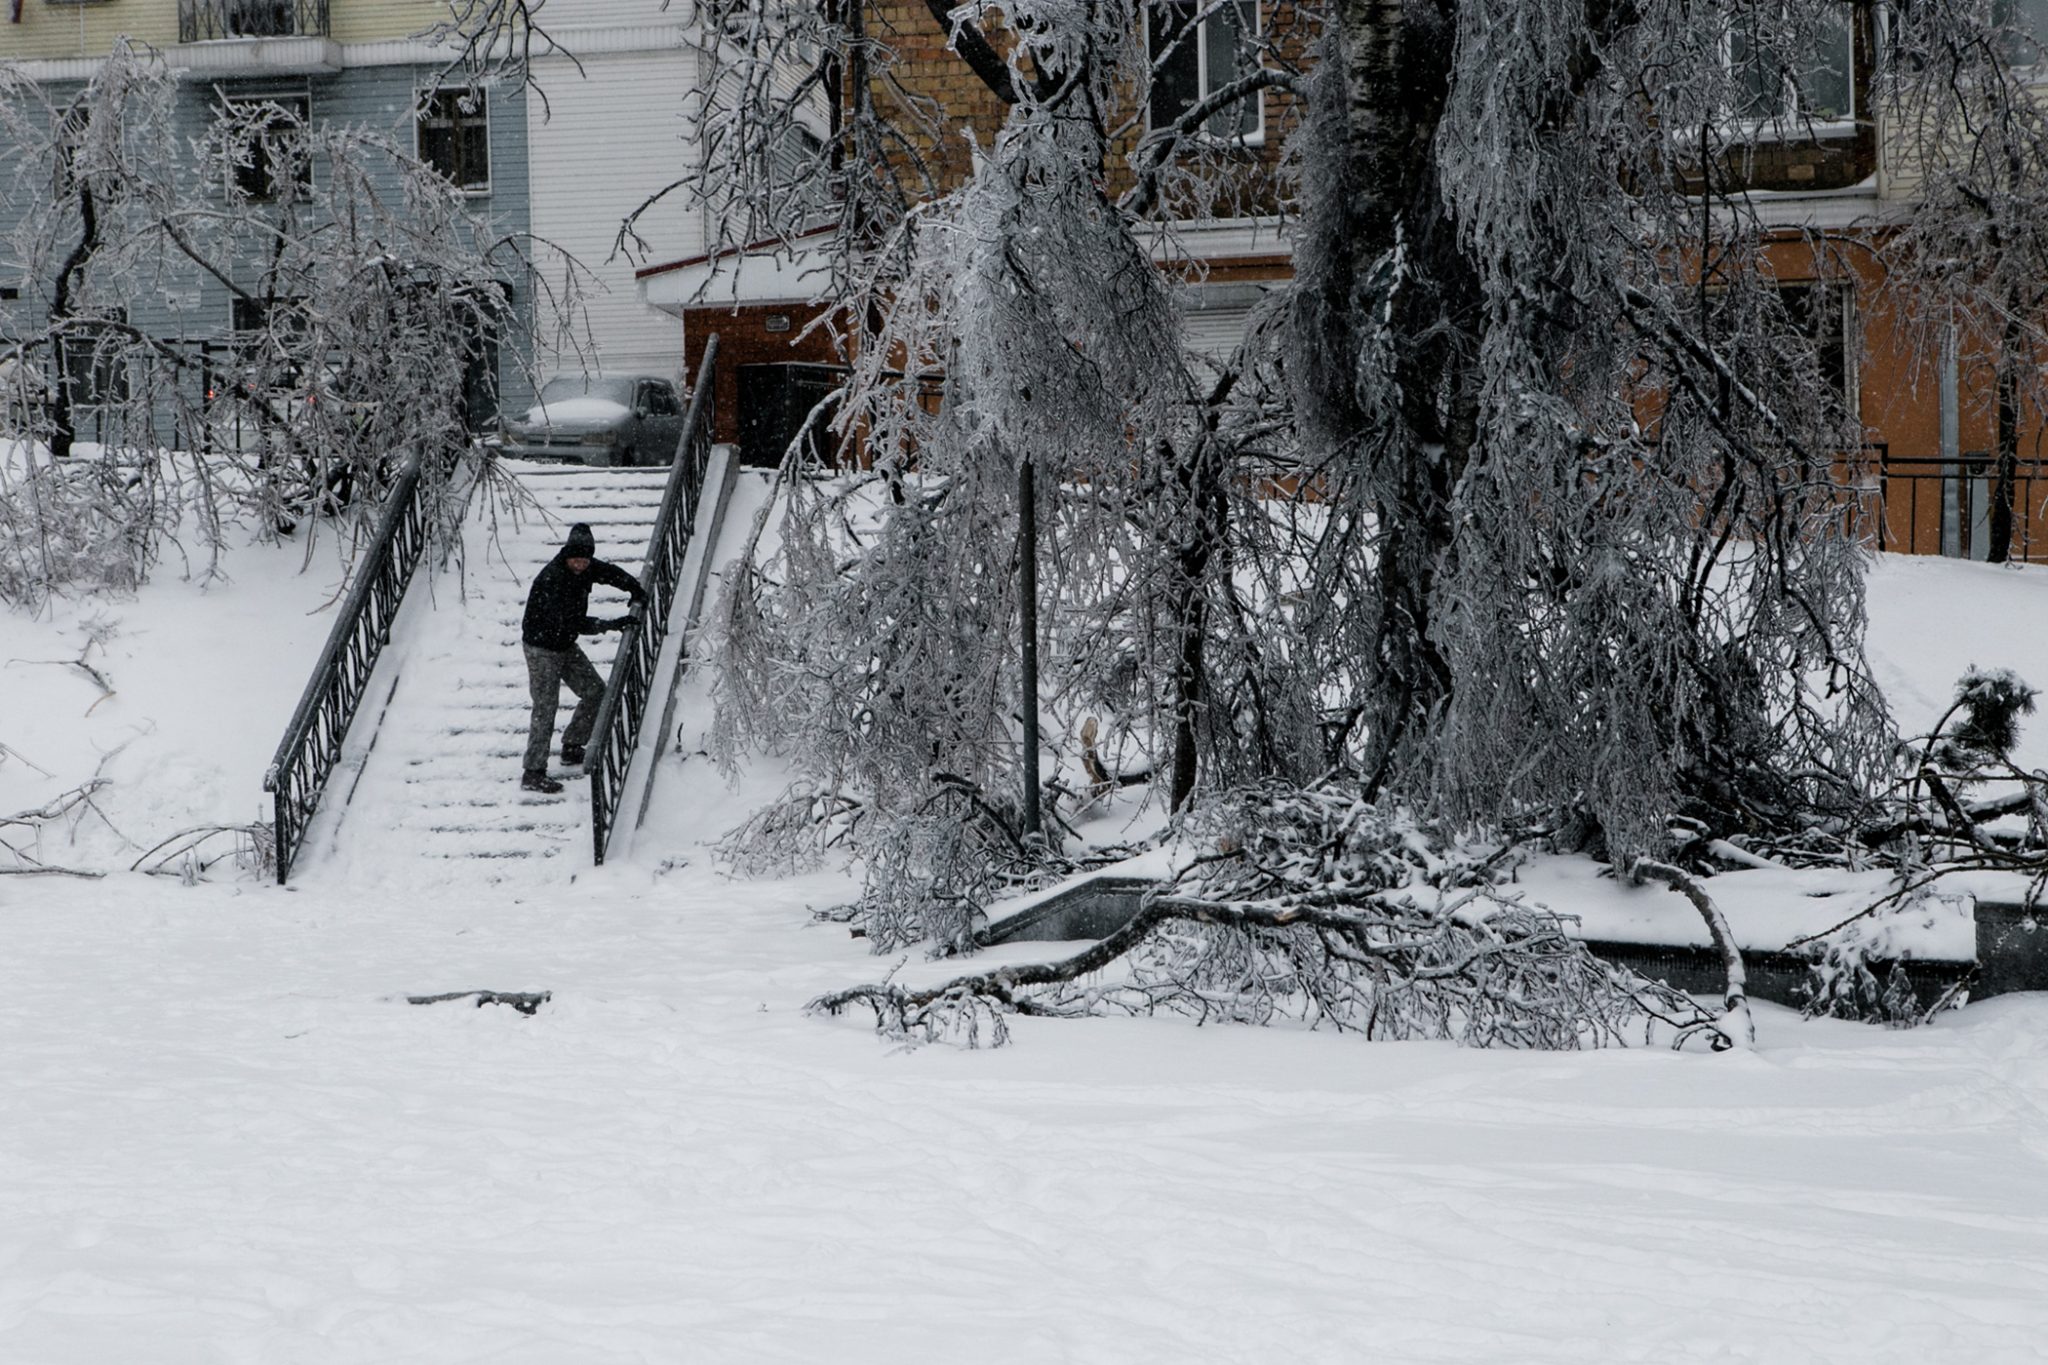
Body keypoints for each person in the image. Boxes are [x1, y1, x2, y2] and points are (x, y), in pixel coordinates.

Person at [519, 522, 647, 794]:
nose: (580, 565)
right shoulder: (552, 579)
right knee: (546, 706)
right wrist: (610, 624)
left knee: (596, 692)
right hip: (541, 648)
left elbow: (609, 573)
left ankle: (573, 745)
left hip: (564, 644)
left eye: (584, 560)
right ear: (567, 555)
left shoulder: (587, 567)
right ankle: (533, 772)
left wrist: (634, 588)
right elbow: (572, 622)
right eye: (576, 560)